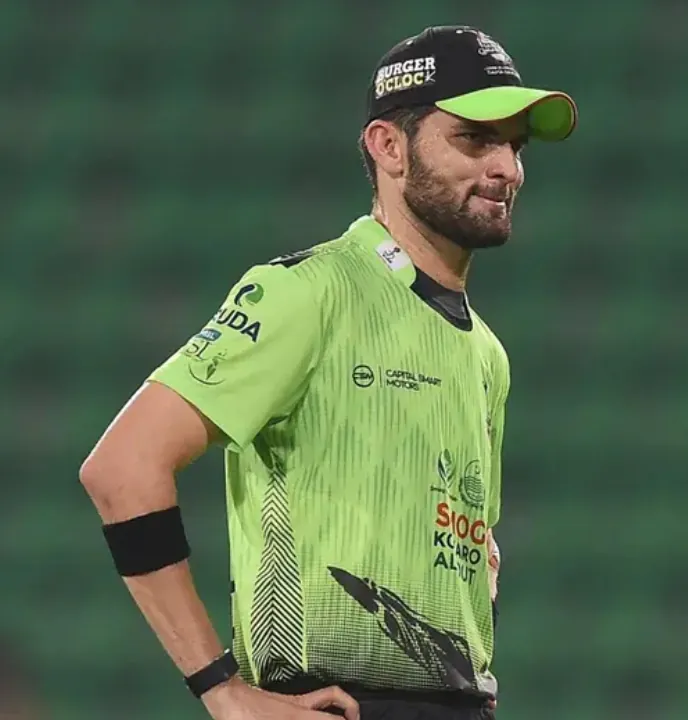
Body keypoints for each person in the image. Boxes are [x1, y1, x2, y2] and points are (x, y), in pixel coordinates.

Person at [79, 24, 577, 720]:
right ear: (388, 146)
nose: (507, 169)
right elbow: (122, 469)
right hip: (333, 703)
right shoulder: (308, 293)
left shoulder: (486, 352)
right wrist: (220, 688)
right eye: (474, 140)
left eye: (515, 147)